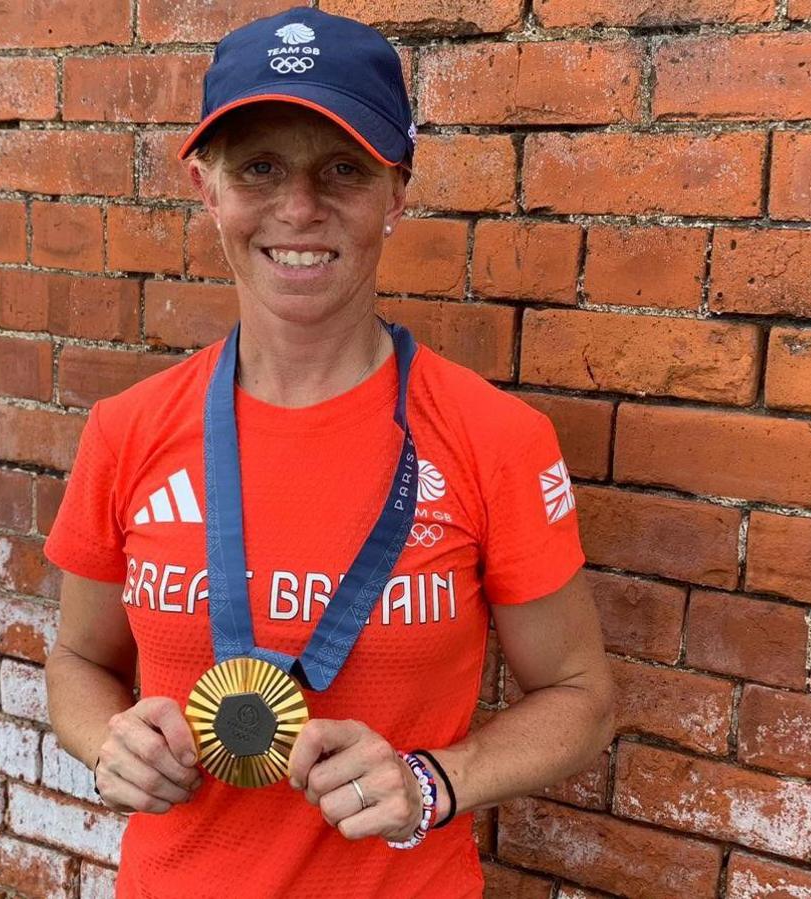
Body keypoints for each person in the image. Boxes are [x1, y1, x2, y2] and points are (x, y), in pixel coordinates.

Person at [42, 7, 614, 897]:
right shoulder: (129, 428)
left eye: (342, 169)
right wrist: (108, 743)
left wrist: (433, 782)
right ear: (207, 188)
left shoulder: (493, 437)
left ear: (396, 192)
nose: (298, 208)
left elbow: (582, 696)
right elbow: (78, 662)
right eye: (259, 167)